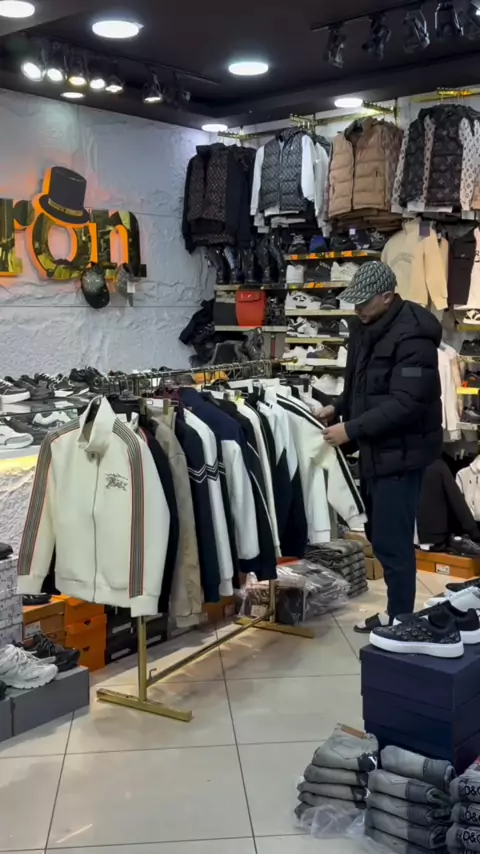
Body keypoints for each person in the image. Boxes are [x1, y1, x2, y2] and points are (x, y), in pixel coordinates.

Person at [318, 261, 442, 632]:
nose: (357, 308)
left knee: (393, 542)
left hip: (402, 453)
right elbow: (360, 385)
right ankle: (396, 613)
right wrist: (337, 406)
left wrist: (350, 429)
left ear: (387, 297)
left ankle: (402, 620)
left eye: (364, 301)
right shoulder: (365, 327)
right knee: (380, 536)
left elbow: (407, 403)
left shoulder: (414, 336)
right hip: (377, 448)